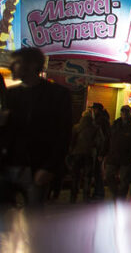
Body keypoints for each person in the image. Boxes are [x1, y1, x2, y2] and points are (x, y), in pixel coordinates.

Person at [0, 47, 72, 207]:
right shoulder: (10, 95)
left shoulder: (57, 95)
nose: (12, 67)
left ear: (32, 65)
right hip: (7, 166)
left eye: (16, 63)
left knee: (33, 221)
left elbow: (63, 134)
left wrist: (50, 167)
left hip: (36, 168)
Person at [105, 105, 131, 199]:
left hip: (127, 156)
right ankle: (116, 193)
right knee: (108, 175)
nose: (124, 114)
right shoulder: (116, 124)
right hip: (114, 155)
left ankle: (121, 196)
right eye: (123, 112)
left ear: (130, 113)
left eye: (126, 112)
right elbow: (109, 138)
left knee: (124, 178)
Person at [67, 110, 101, 203]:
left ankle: (73, 196)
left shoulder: (76, 127)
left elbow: (71, 141)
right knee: (87, 176)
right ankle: (86, 196)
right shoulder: (95, 128)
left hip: (76, 153)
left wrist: (70, 152)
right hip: (89, 154)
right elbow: (99, 142)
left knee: (75, 176)